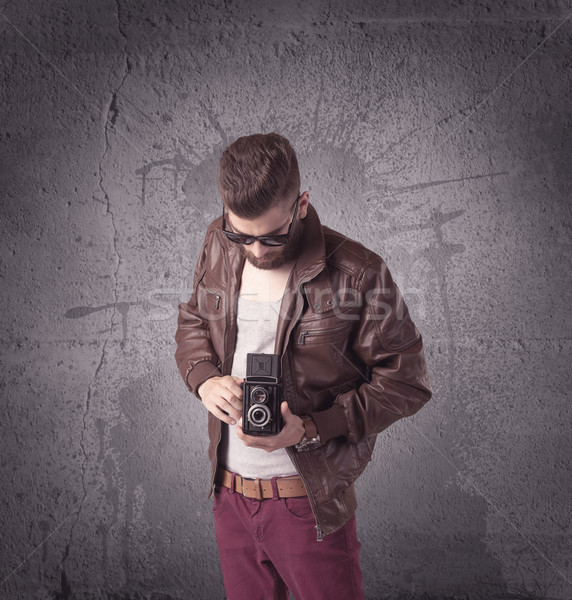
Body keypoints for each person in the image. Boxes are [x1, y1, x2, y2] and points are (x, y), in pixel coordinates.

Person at [175, 133, 431, 600]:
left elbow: (407, 382)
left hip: (306, 502)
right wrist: (204, 379)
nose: (254, 250)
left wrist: (311, 427)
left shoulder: (359, 272)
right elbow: (193, 318)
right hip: (229, 496)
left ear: (303, 204)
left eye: (271, 236)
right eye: (242, 234)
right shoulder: (218, 240)